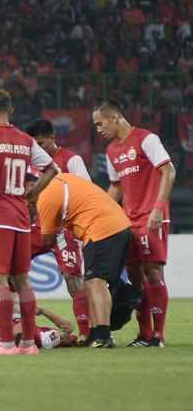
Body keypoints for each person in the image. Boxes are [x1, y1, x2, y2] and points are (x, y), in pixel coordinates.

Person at [0, 89, 59, 356]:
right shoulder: (25, 140)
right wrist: (32, 193)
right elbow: (53, 169)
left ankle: (7, 343)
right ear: (11, 111)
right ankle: (29, 344)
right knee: (23, 281)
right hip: (21, 217)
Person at [93, 99, 176, 347]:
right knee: (134, 278)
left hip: (152, 217)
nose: (99, 130)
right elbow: (116, 187)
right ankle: (144, 334)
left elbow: (169, 170)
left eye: (100, 124)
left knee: (153, 273)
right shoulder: (111, 151)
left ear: (114, 118)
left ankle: (158, 336)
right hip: (127, 222)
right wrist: (98, 214)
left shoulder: (146, 139)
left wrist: (159, 207)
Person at [36, 173, 132, 348]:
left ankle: (103, 336)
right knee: (91, 283)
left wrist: (57, 228)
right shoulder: (63, 179)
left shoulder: (45, 198)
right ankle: (94, 334)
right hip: (119, 225)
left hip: (101, 229)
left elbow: (47, 241)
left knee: (96, 282)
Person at [24, 118, 91, 342]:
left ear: (53, 138)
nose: (37, 150)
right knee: (8, 266)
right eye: (34, 146)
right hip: (38, 227)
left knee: (73, 278)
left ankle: (84, 332)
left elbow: (87, 192)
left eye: (41, 145)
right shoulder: (30, 164)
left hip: (65, 228)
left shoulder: (72, 160)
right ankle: (17, 324)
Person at [0, 305, 77, 350]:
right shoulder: (44, 339)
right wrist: (42, 311)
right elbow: (68, 328)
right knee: (68, 339)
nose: (17, 324)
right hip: (66, 340)